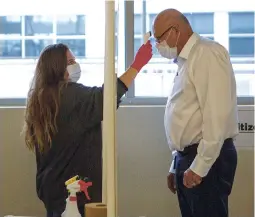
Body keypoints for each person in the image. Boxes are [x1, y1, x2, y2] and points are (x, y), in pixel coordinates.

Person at [23, 42, 152, 217]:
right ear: (57, 66)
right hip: (76, 193)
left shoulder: (39, 99)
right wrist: (137, 65)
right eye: (70, 61)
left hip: (52, 190)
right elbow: (106, 97)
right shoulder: (70, 95)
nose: (76, 64)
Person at [152, 9, 239, 217]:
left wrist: (200, 165)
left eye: (159, 38)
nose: (158, 45)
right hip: (188, 156)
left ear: (176, 31)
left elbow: (216, 115)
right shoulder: (185, 62)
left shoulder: (206, 53)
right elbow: (187, 117)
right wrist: (176, 164)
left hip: (208, 157)